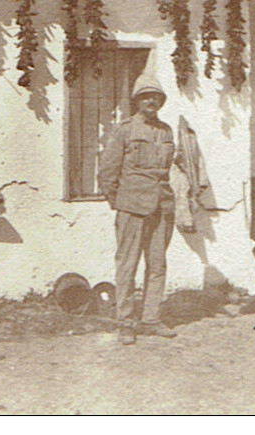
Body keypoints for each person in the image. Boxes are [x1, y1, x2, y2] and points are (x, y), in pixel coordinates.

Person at [98, 72, 178, 345]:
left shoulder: (166, 131)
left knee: (157, 264)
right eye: (145, 96)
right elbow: (108, 172)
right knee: (127, 265)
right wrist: (119, 202)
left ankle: (151, 319)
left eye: (156, 96)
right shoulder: (124, 129)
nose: (151, 101)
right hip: (132, 206)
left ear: (161, 101)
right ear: (137, 101)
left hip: (161, 205)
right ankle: (125, 323)